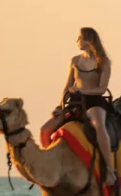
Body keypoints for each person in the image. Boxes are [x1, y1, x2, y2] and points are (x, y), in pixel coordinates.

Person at [42, 28, 117, 186]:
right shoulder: (75, 60)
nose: (77, 40)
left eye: (80, 38)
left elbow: (102, 88)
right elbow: (67, 86)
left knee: (99, 125)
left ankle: (109, 169)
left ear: (88, 40)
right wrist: (60, 106)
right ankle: (48, 166)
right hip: (74, 101)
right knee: (45, 129)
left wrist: (81, 90)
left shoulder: (103, 61)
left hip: (94, 101)